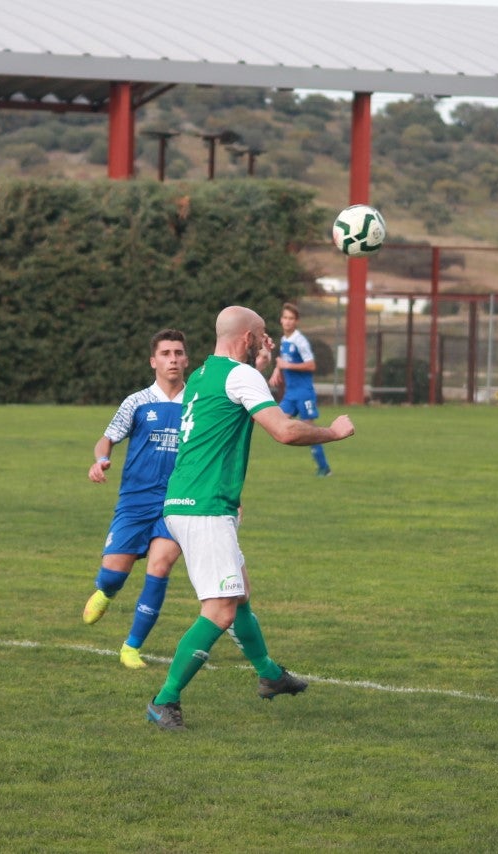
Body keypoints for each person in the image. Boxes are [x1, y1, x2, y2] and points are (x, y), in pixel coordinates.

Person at [146, 306, 356, 731]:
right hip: (205, 505)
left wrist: (261, 370)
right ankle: (164, 700)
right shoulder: (238, 376)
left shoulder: (204, 375)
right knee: (221, 609)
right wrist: (333, 432)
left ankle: (269, 674)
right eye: (261, 337)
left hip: (189, 500)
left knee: (239, 593)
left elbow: (248, 409)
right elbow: (284, 430)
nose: (266, 342)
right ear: (246, 339)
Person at [82, 329, 189, 669]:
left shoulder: (196, 404)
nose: (173, 358)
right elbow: (106, 440)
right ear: (153, 361)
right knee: (114, 574)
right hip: (135, 500)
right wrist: (101, 461)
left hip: (177, 502)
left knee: (160, 567)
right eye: (166, 353)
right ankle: (107, 591)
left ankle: (131, 647)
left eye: (178, 353)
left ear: (186, 360)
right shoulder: (137, 401)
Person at [269, 302, 331, 476]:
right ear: (281, 320)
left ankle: (324, 467)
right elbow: (282, 360)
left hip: (304, 392)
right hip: (290, 394)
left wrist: (286, 365)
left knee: (310, 430)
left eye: (291, 318)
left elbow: (311, 365)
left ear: (296, 321)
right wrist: (277, 369)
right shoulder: (284, 340)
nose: (288, 322)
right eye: (285, 318)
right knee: (277, 422)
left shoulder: (300, 340)